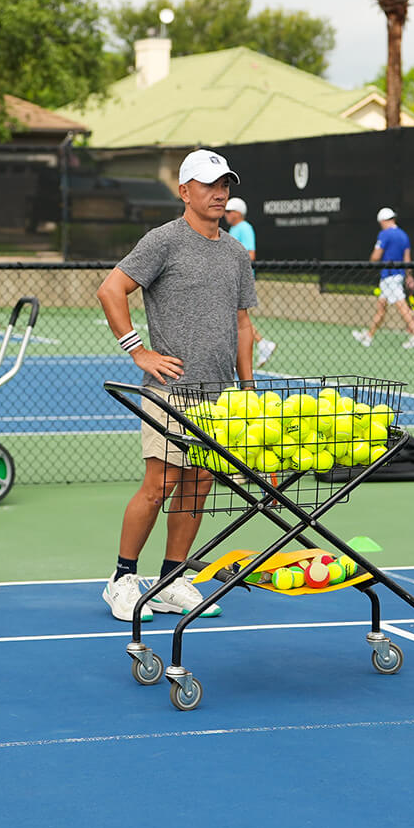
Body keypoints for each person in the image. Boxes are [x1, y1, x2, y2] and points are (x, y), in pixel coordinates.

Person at [97, 149, 258, 622]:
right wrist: (137, 350)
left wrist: (247, 386)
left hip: (219, 395)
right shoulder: (163, 241)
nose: (220, 193)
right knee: (160, 483)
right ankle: (123, 579)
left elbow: (243, 323)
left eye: (225, 184)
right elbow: (111, 289)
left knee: (199, 482)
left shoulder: (233, 252)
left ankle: (172, 580)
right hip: (169, 391)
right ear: (184, 191)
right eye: (209, 185)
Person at [352, 208, 414, 349]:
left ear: (384, 221)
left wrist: (370, 266)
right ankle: (368, 336)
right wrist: (409, 276)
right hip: (394, 276)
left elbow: (376, 255)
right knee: (381, 309)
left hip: (390, 276)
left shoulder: (384, 234)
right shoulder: (404, 236)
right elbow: (407, 259)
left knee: (402, 307)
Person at [224, 195, 277, 368]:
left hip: (239, 278)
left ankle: (262, 344)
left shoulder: (244, 228)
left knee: (236, 317)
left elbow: (250, 254)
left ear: (238, 213)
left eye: (229, 211)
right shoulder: (234, 229)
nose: (226, 215)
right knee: (235, 317)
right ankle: (262, 344)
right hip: (232, 278)